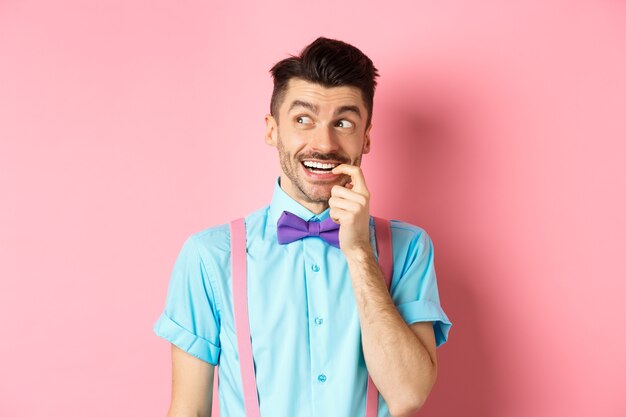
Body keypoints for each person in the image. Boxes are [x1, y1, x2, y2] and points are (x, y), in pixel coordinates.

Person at [153, 37, 452, 417]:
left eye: (343, 122)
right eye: (303, 119)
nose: (323, 143)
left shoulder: (409, 248)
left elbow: (408, 395)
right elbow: (188, 411)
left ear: (366, 137)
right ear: (272, 130)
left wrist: (360, 251)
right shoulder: (210, 256)